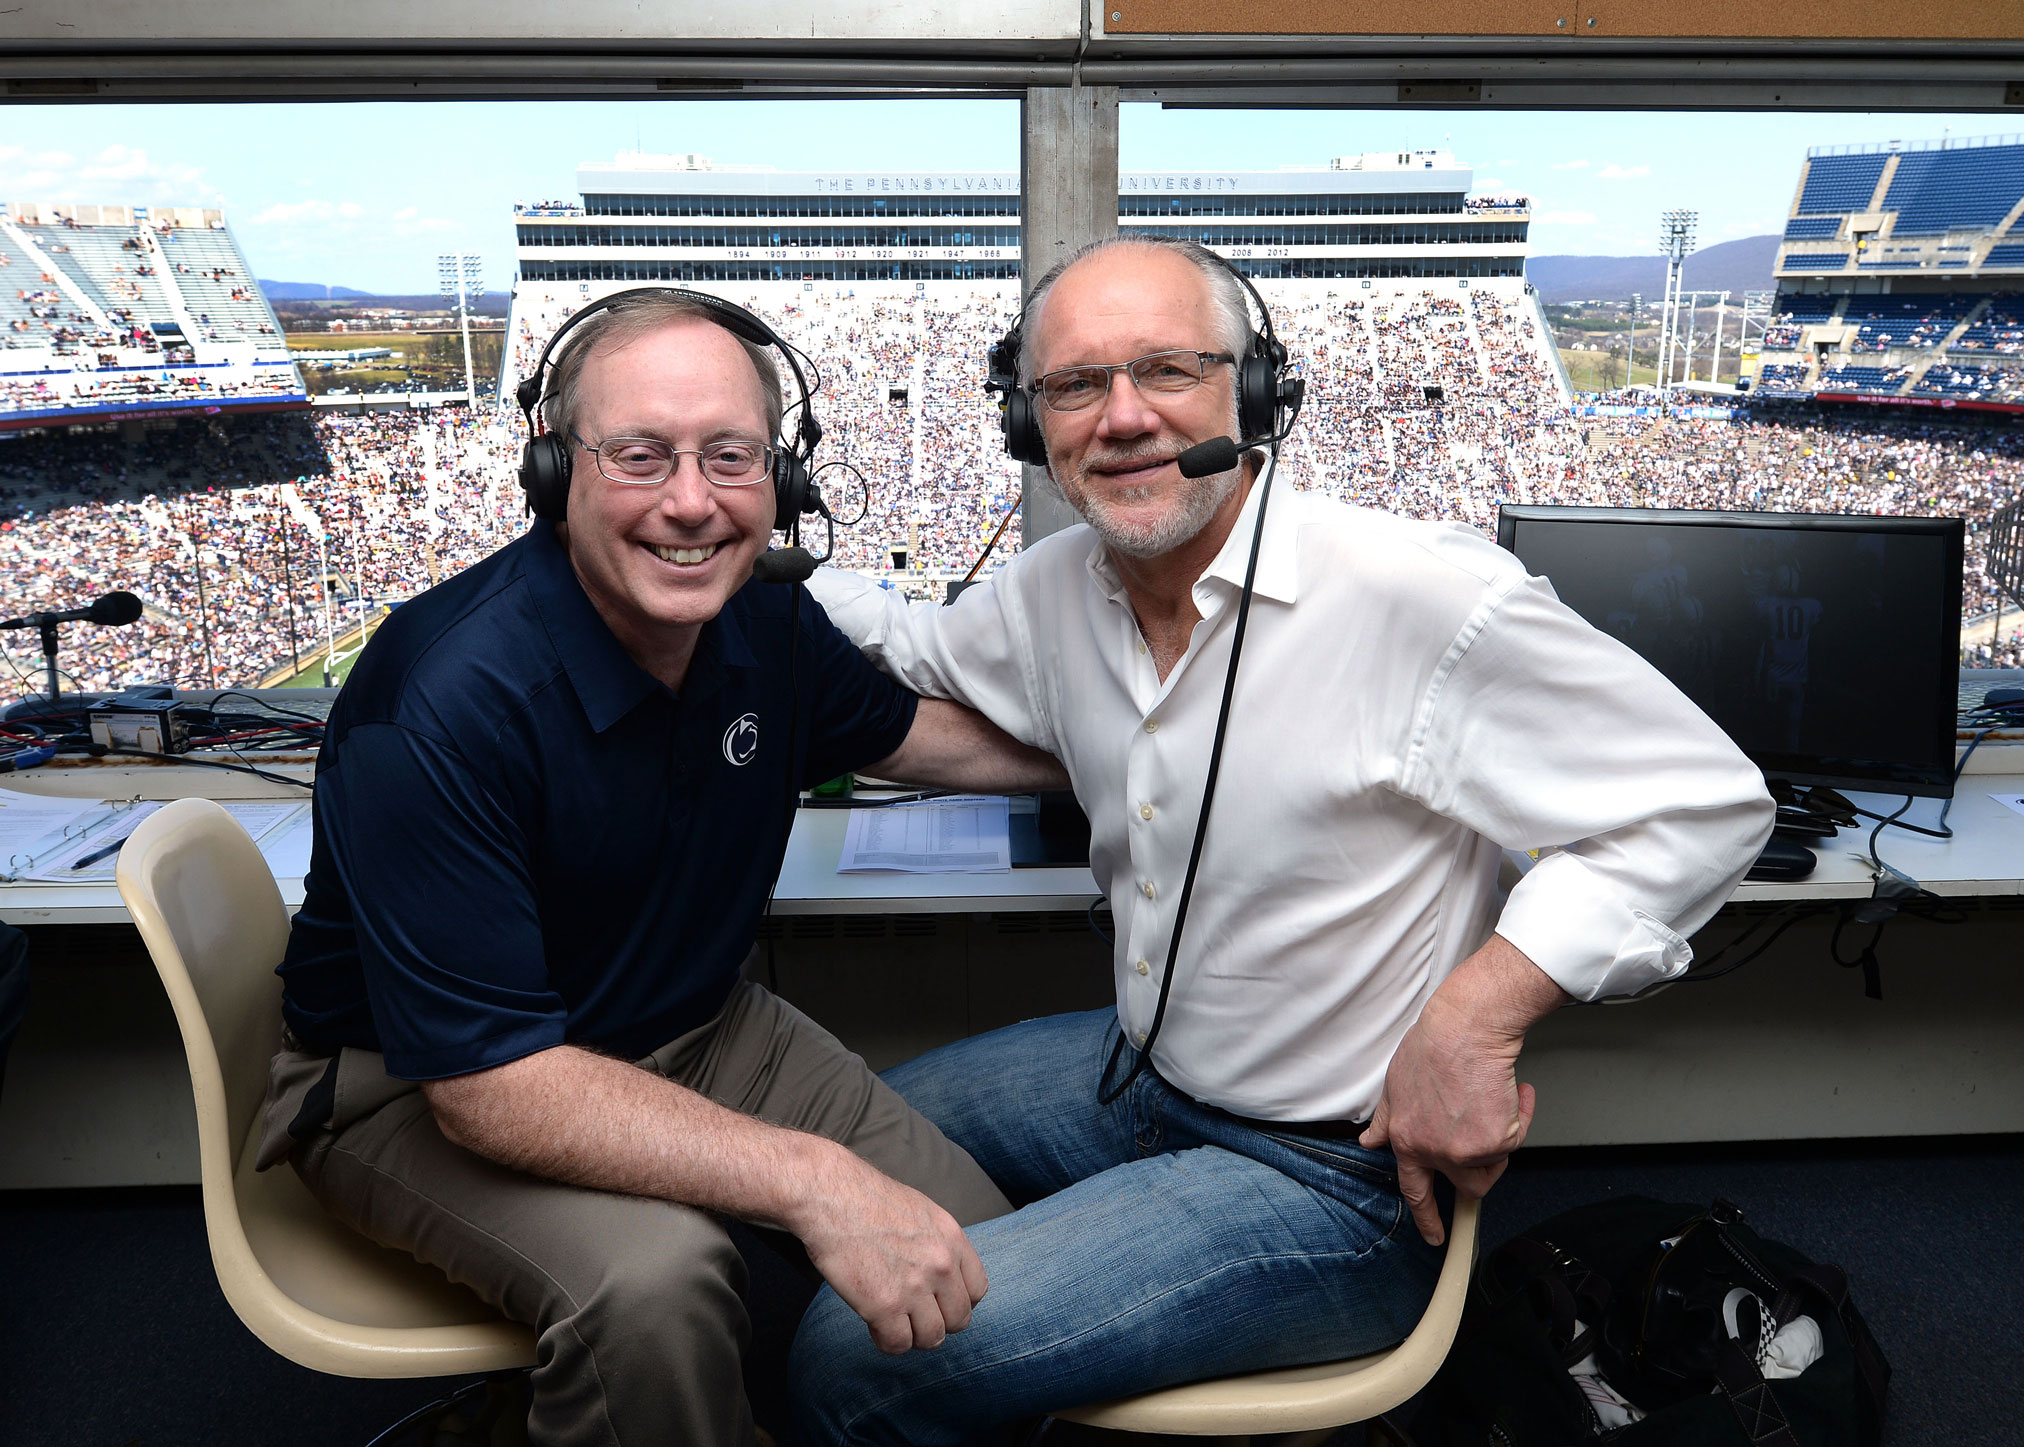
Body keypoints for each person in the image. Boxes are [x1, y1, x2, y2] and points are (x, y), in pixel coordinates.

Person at [792, 236, 1775, 1443]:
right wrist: (736, 540)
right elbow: (909, 644)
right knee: (831, 1145)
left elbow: (1700, 803)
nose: (1123, 417)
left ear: (1255, 392)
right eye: (1074, 385)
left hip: (1332, 1181)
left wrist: (1474, 1018)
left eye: (1167, 369)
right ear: (1026, 422)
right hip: (1141, 1073)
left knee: (854, 1358)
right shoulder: (1050, 591)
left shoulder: (1419, 597)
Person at [254, 290, 1066, 1447]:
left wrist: (1142, 764)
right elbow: (491, 1087)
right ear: (557, 473)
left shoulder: (762, 619)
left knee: (974, 1256)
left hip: (694, 1025)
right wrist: (810, 1180)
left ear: (777, 478)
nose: (690, 503)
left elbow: (908, 733)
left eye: (728, 457)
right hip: (417, 1083)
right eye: (641, 456)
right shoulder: (441, 700)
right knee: (657, 1285)